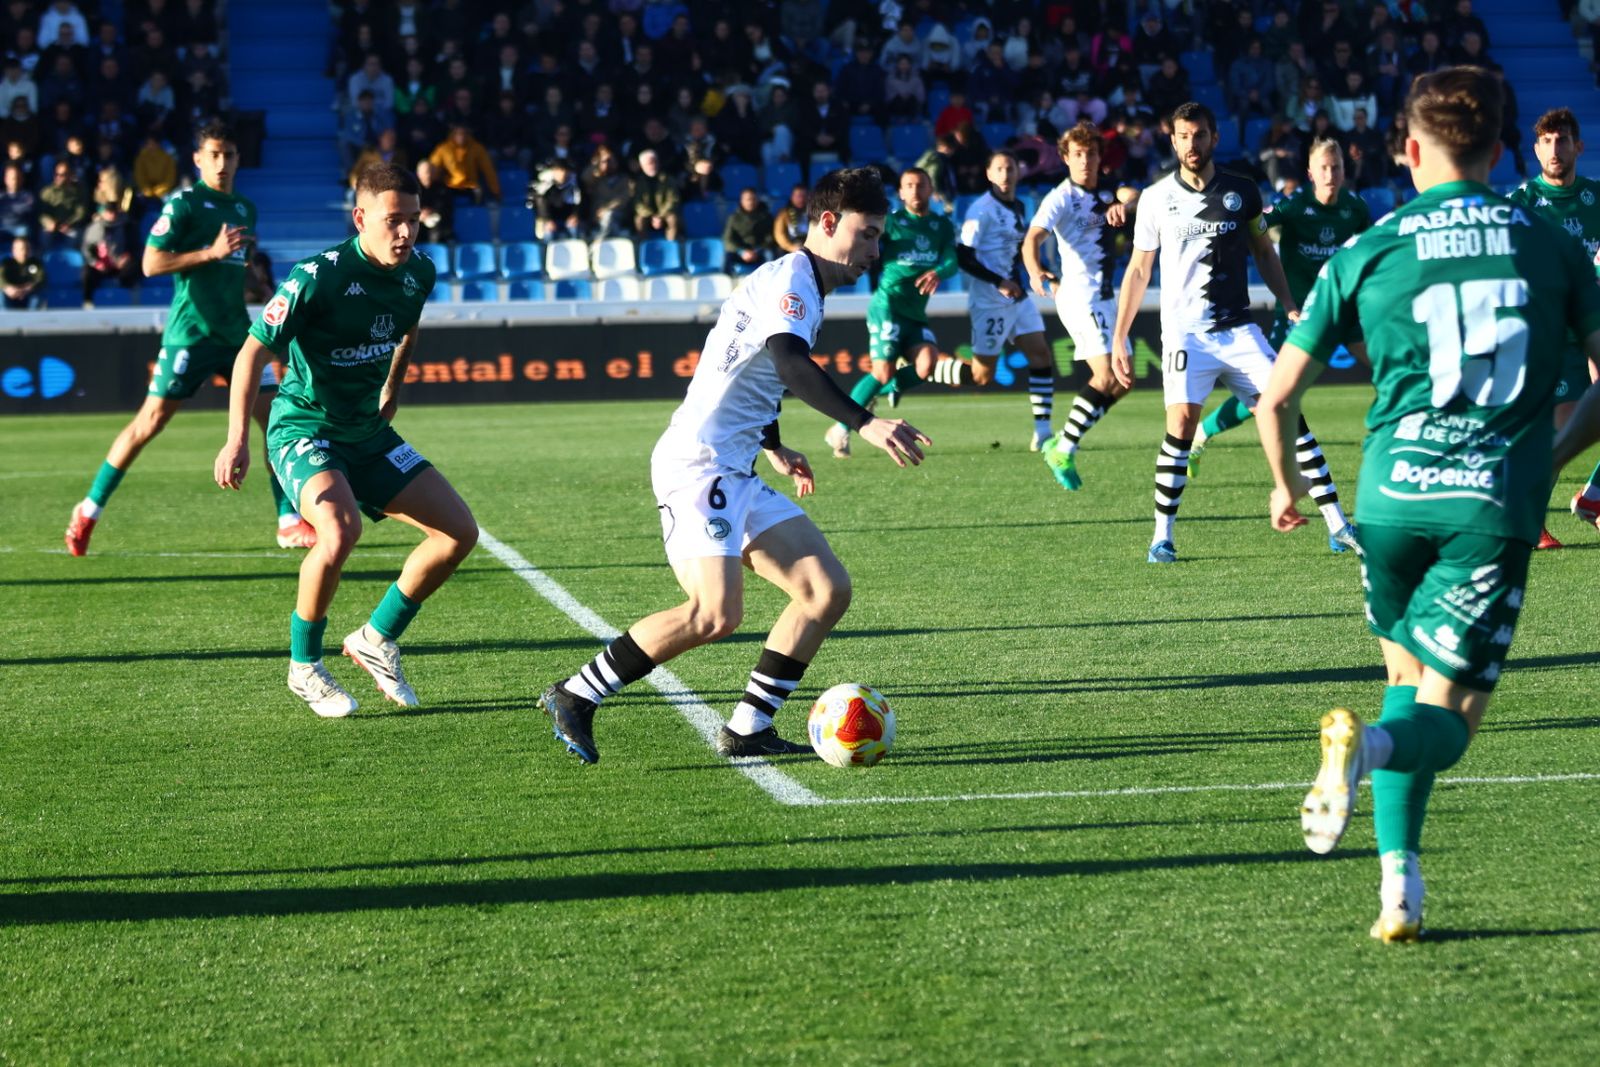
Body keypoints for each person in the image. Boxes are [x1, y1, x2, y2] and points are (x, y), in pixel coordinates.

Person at [1257, 66, 1600, 943]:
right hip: (1486, 510)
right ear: (1502, 150)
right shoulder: (1551, 244)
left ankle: (1398, 890)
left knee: (1404, 686)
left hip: (1388, 503)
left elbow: (1276, 395)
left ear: (1408, 149)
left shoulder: (1368, 246)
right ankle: (1364, 751)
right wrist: (1550, 458)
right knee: (1442, 724)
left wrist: (1286, 486)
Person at [536, 168, 930, 764]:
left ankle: (747, 727)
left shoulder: (799, 284)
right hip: (699, 467)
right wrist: (865, 422)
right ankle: (576, 693)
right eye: (868, 234)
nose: (875, 251)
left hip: (734, 469)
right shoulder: (794, 280)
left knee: (826, 590)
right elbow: (792, 366)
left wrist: (773, 444)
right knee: (714, 613)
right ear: (827, 223)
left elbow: (748, 371)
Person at [212, 162, 478, 718]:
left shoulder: (418, 272)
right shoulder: (317, 277)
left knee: (457, 533)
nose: (405, 233)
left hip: (368, 430)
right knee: (338, 529)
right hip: (305, 427)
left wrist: (393, 387)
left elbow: (408, 326)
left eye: (413, 220)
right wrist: (237, 438)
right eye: (392, 221)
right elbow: (250, 352)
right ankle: (304, 667)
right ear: (361, 218)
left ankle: (375, 640)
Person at [1112, 101, 1355, 563]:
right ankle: (1161, 536)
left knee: (1287, 412)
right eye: (1183, 136)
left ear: (1214, 137)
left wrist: (1288, 304)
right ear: (1173, 141)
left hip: (1240, 330)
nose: (1191, 144)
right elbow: (1139, 270)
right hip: (1185, 334)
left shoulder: (1242, 190)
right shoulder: (1155, 197)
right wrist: (1119, 335)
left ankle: (1338, 524)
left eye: (1199, 135)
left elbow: (1264, 252)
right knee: (1180, 426)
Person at [64, 122, 313, 556]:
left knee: (275, 420)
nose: (221, 163)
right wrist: (209, 253)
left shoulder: (244, 209)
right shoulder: (184, 204)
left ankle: (288, 521)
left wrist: (263, 289)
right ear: (197, 159)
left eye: (229, 154)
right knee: (150, 422)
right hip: (191, 334)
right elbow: (149, 263)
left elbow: (240, 268)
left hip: (238, 334)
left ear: (238, 159)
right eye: (213, 154)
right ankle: (88, 509)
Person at [1189, 138, 1370, 485]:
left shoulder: (1356, 209)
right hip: (1298, 317)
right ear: (1310, 173)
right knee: (1270, 393)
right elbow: (1254, 226)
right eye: (1324, 168)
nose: (1331, 174)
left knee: (1384, 365)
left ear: (1344, 171)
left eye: (1336, 168)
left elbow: (1368, 252)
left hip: (1343, 310)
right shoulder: (1295, 206)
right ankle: (1202, 434)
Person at [1023, 121, 1140, 490]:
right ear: (1065, 158)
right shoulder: (1060, 197)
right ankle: (1064, 447)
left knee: (1124, 381)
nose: (1085, 161)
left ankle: (1063, 442)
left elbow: (1136, 195)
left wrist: (1127, 204)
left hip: (1106, 297)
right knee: (1105, 376)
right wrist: (1035, 270)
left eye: (1091, 154)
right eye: (1077, 155)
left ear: (1099, 157)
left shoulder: (1108, 189)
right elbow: (1032, 240)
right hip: (1079, 295)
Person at [1507, 108, 1600, 542]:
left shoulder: (1596, 198)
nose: (1554, 149)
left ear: (1578, 146)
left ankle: (1593, 495)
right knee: (1562, 432)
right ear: (1535, 149)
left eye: (1562, 140)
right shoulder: (1522, 203)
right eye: (1546, 141)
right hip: (1549, 337)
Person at [826, 167, 960, 458]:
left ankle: (888, 388)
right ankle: (839, 429)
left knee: (927, 365)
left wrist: (939, 271)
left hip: (915, 312)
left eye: (921, 185)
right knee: (882, 370)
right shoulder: (892, 224)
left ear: (930, 189)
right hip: (887, 305)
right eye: (909, 185)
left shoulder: (942, 225)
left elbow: (951, 260)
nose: (915, 190)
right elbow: (864, 242)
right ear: (900, 192)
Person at [959, 149, 1059, 451]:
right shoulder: (980, 209)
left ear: (1019, 172)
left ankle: (1043, 432)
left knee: (1041, 354)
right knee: (981, 375)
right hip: (990, 300)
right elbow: (963, 254)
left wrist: (1035, 273)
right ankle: (925, 368)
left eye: (1010, 168)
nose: (1005, 174)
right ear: (989, 174)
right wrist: (998, 281)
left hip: (1016, 296)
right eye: (999, 169)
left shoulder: (1018, 205)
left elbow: (1015, 251)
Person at [721, 185, 775, 274]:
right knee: (726, 257)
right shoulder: (734, 218)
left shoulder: (766, 217)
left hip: (759, 251)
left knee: (769, 255)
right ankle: (727, 282)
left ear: (757, 200)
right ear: (742, 201)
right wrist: (742, 251)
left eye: (753, 199)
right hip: (740, 252)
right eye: (747, 199)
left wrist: (757, 251)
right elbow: (728, 239)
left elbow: (770, 237)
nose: (750, 202)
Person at [0, 232, 42, 307]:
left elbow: (41, 278)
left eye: (27, 249)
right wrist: (7, 287)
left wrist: (29, 288)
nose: (24, 252)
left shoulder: (35, 263)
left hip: (28, 294)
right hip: (11, 294)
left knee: (39, 294)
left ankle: (34, 317)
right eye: (22, 249)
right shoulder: (6, 263)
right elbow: (1, 277)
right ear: (14, 250)